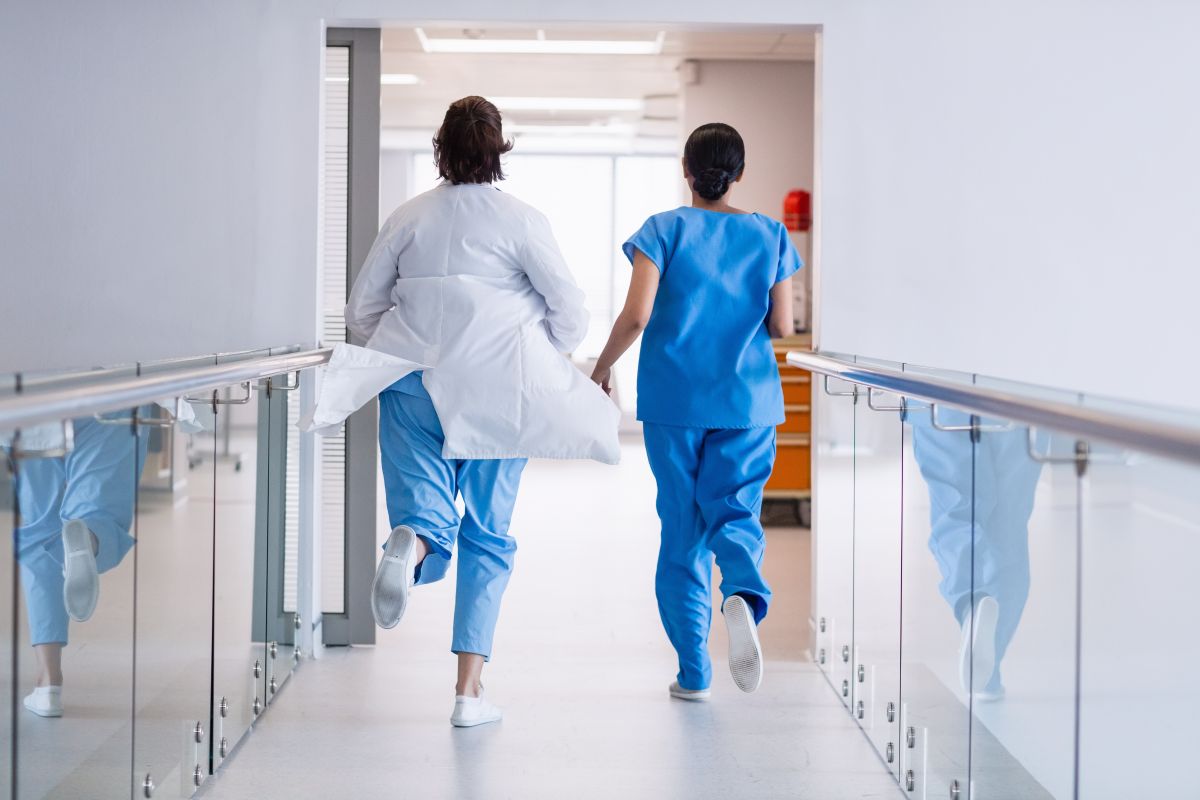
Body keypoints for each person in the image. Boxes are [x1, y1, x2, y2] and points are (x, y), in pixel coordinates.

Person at [345, 96, 597, 728]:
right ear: (498, 149)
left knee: (423, 510)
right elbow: (570, 312)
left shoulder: (408, 217)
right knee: (487, 533)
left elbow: (360, 311)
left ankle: (411, 543)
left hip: (411, 382)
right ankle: (468, 694)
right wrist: (537, 349)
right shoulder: (522, 220)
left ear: (442, 149)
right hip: (497, 389)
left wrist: (400, 350)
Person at [591, 123, 802, 699]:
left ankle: (694, 673)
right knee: (735, 513)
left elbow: (637, 316)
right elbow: (783, 326)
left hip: (674, 402)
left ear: (686, 170)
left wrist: (601, 368)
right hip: (747, 402)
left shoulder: (662, 230)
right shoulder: (770, 234)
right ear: (739, 173)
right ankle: (742, 594)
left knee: (682, 532)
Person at [11, 413, 147, 717]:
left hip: (36, 400)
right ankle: (90, 537)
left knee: (40, 523)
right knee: (99, 507)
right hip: (111, 395)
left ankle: (48, 684)